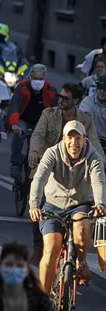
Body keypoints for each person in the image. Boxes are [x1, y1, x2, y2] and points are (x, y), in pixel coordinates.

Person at [28, 82, 105, 259]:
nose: (60, 100)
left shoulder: (86, 119)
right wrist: (34, 151)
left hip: (75, 164)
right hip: (48, 160)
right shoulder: (49, 114)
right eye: (59, 96)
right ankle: (37, 245)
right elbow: (38, 134)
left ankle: (79, 261)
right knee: (37, 197)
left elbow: (93, 139)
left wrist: (102, 159)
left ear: (76, 101)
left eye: (65, 98)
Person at [29, 120, 106, 292]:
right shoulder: (52, 153)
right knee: (51, 249)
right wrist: (34, 204)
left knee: (81, 229)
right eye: (70, 138)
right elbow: (39, 178)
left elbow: (99, 181)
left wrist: (100, 203)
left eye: (78, 138)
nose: (74, 143)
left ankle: (81, 261)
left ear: (85, 139)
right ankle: (43, 297)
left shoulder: (93, 156)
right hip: (53, 205)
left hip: (80, 205)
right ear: (63, 138)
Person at [8, 64, 58, 181]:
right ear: (30, 77)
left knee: (42, 144)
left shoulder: (51, 89)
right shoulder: (22, 86)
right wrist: (14, 124)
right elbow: (14, 105)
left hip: (41, 123)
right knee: (18, 136)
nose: (38, 81)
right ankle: (15, 164)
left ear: (45, 79)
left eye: (41, 79)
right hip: (23, 119)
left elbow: (55, 110)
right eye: (35, 78)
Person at [0, 242, 53, 311]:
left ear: (27, 270)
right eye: (9, 265)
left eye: (19, 266)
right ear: (0, 268)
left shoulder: (39, 300)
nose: (14, 269)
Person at [78, 74, 106, 152]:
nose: (101, 91)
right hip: (92, 141)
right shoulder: (88, 101)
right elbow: (85, 122)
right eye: (99, 87)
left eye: (105, 88)